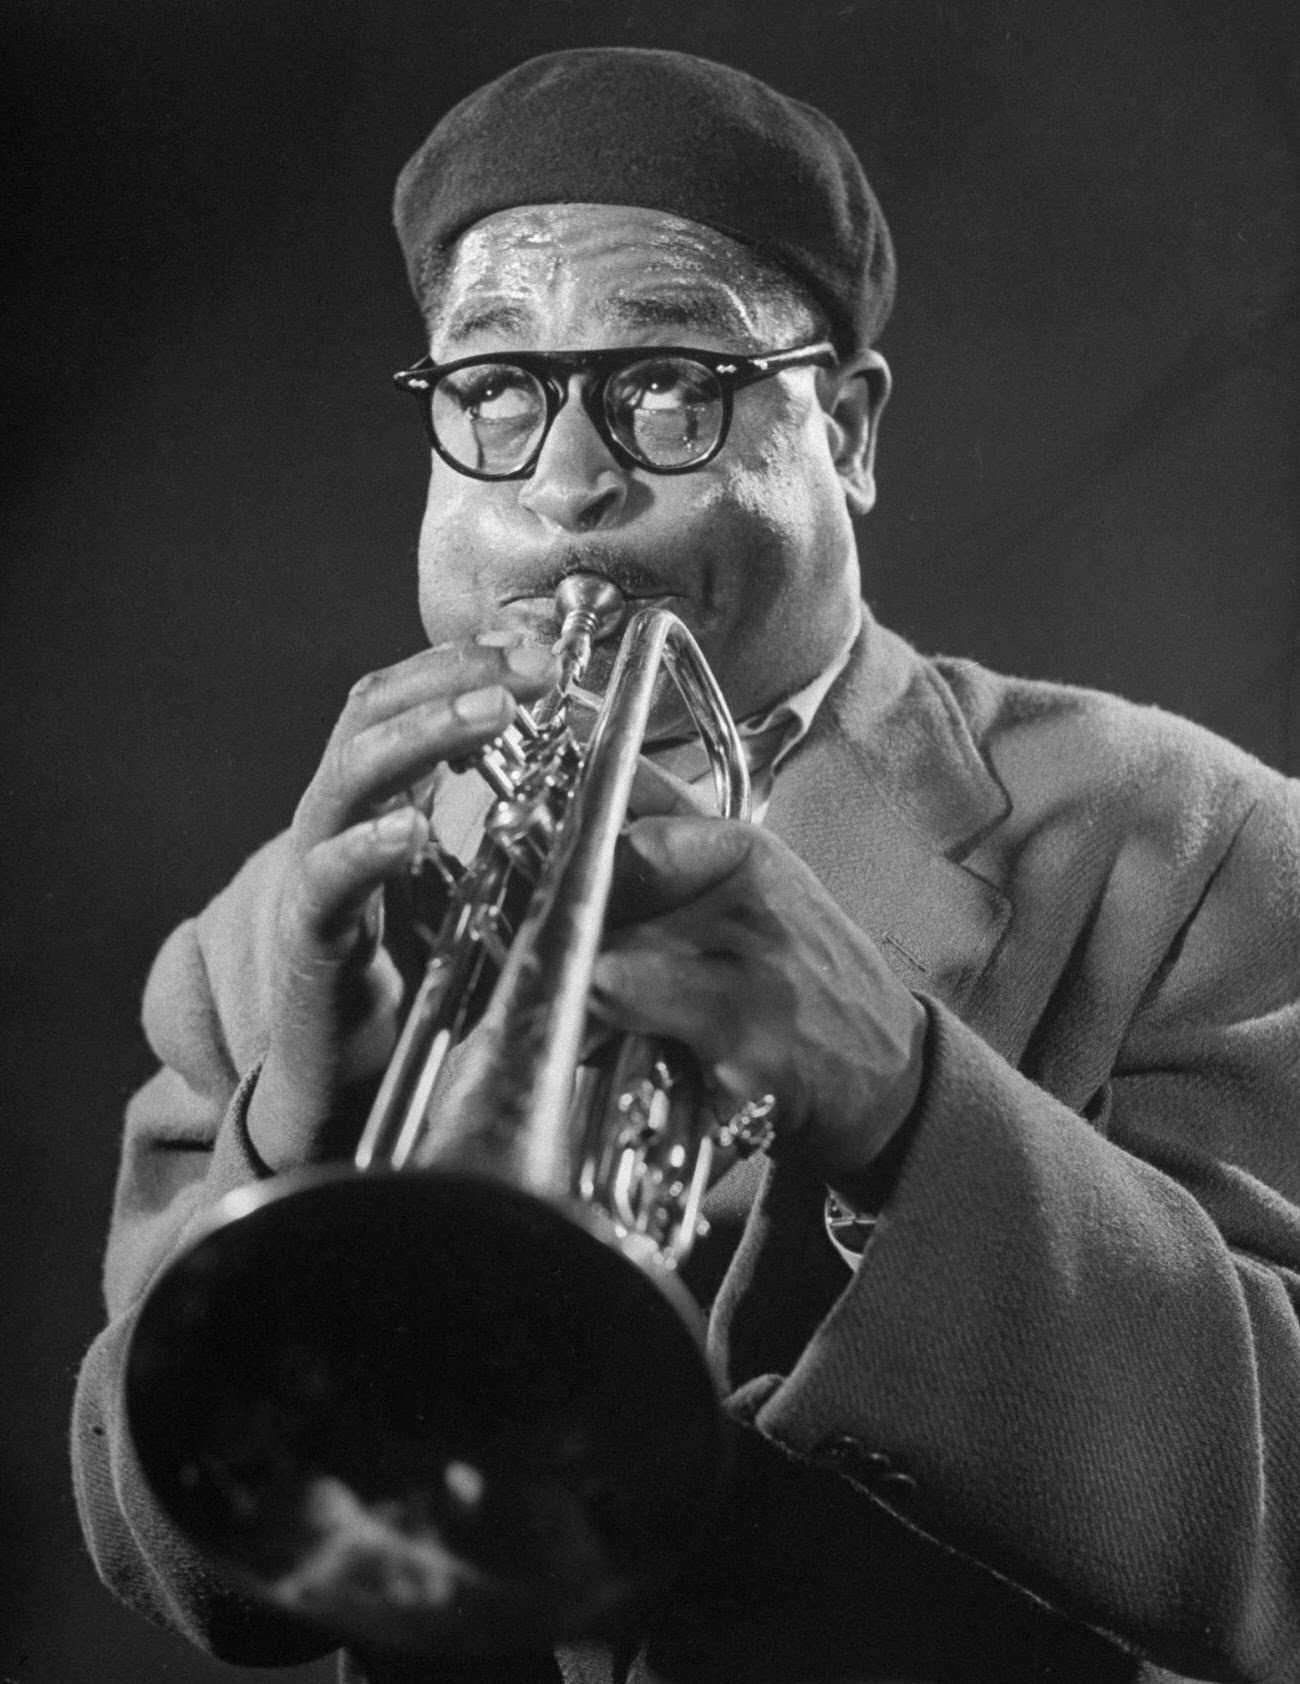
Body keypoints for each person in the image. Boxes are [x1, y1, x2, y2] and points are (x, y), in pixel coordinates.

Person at [71, 45, 1300, 1684]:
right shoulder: (260, 938)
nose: (571, 486)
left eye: (667, 383)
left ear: (846, 430)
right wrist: (304, 1138)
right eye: (495, 389)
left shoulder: (1195, 840)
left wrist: (907, 1111)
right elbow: (193, 1564)